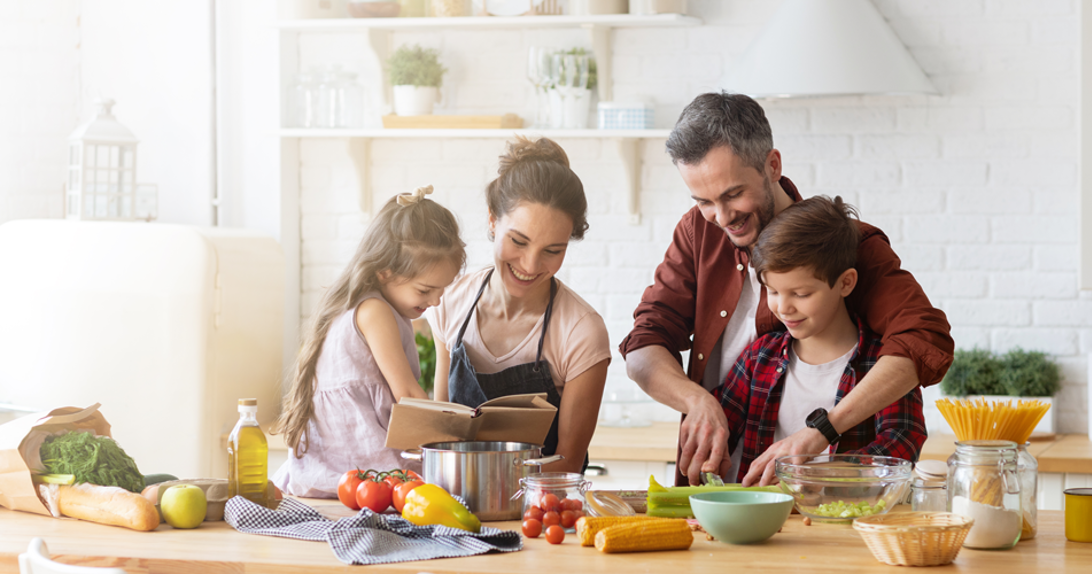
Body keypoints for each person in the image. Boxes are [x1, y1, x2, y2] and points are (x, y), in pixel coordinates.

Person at [619, 92, 953, 485]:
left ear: (772, 165)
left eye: (733, 194)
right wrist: (697, 401)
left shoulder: (845, 244)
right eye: (703, 201)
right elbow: (644, 345)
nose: (721, 217)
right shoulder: (698, 231)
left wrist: (822, 432)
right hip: (725, 491)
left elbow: (922, 338)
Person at [715, 196, 927, 486]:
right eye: (772, 291)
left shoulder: (884, 365)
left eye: (801, 294)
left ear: (845, 283)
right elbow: (719, 429)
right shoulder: (758, 357)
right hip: (761, 513)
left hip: (844, 512)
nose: (783, 308)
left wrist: (817, 475)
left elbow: (901, 444)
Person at [429, 137, 611, 474]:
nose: (530, 265)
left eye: (552, 251)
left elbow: (568, 463)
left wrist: (495, 490)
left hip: (542, 502)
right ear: (492, 220)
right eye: (518, 241)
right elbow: (440, 436)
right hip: (455, 500)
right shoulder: (449, 302)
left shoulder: (581, 331)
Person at [272, 186, 466, 498]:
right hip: (360, 466)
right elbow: (407, 394)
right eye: (425, 290)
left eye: (442, 290)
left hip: (336, 468)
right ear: (384, 272)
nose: (435, 301)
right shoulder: (375, 311)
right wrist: (452, 437)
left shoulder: (368, 305)